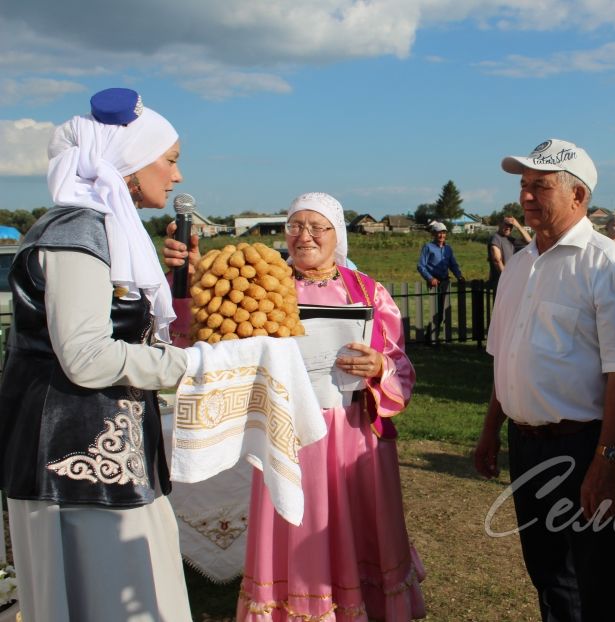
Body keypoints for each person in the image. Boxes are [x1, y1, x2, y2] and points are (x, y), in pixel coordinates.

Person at [166, 192, 426, 620]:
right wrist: (185, 281)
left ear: (336, 234)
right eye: (294, 226)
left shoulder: (367, 291)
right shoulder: (259, 283)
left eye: (316, 226)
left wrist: (379, 364)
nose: (304, 236)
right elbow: (198, 331)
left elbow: (400, 364)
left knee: (354, 524)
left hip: (352, 431)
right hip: (285, 432)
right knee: (295, 522)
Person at [0, 87, 195, 620]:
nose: (177, 176)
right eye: (171, 160)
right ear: (129, 161)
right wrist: (191, 367)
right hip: (70, 457)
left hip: (103, 448)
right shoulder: (77, 231)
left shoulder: (102, 228)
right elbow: (85, 356)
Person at [474, 138, 615, 621]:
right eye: (524, 185)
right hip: (527, 443)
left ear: (579, 196)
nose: (527, 196)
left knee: (599, 578)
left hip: (582, 447)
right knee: (549, 571)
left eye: (542, 186)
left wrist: (608, 462)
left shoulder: (610, 265)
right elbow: (505, 356)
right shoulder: (519, 264)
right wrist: (492, 430)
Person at [417, 221, 464, 343]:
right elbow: (421, 266)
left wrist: (459, 275)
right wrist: (430, 278)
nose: (441, 235)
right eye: (439, 233)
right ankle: (431, 338)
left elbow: (452, 264)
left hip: (445, 282)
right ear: (433, 234)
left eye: (443, 233)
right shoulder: (428, 247)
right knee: (435, 310)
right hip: (434, 282)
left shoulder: (448, 249)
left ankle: (433, 336)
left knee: (442, 311)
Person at [487, 215, 531, 293]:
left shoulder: (511, 240)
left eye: (510, 225)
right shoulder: (496, 238)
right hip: (501, 281)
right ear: (499, 224)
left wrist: (517, 225)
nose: (508, 227)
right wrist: (507, 278)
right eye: (506, 224)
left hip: (510, 281)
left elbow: (529, 241)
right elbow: (497, 260)